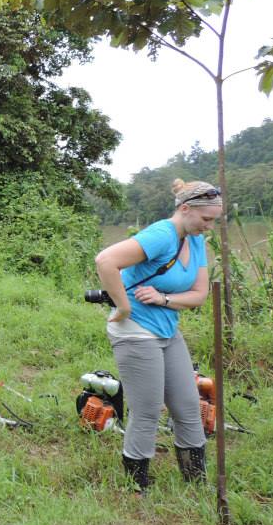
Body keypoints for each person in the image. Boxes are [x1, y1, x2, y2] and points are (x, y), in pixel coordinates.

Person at [94, 179, 223, 492]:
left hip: (167, 328)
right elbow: (106, 260)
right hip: (136, 330)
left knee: (188, 405)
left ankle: (195, 482)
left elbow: (199, 295)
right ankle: (137, 484)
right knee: (148, 408)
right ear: (185, 209)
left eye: (214, 221)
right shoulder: (162, 234)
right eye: (206, 219)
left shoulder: (195, 240)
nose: (209, 227)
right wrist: (123, 307)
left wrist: (165, 300)